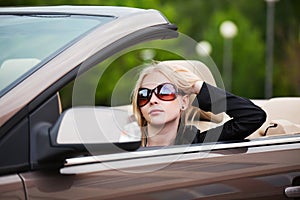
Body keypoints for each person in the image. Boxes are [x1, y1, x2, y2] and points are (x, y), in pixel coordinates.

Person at [131, 60, 266, 147]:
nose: (153, 100)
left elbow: (253, 116)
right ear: (139, 106)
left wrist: (197, 86)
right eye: (144, 95)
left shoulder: (200, 144)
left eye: (165, 91)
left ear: (183, 102)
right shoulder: (125, 143)